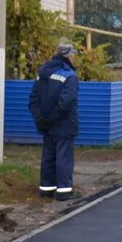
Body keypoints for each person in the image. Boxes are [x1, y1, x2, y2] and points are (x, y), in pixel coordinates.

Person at [28, 43, 80, 201]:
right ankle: (64, 191)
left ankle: (46, 188)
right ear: (69, 56)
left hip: (46, 125)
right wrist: (52, 119)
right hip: (63, 124)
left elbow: (33, 100)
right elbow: (67, 102)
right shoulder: (69, 75)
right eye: (73, 55)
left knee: (48, 156)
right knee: (63, 157)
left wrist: (40, 120)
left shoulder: (42, 73)